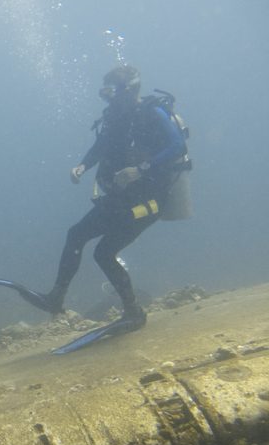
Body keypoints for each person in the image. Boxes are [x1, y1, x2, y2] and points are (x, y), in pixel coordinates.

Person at [23, 65, 189, 328]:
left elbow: (177, 145)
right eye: (105, 92)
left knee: (102, 251)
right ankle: (57, 298)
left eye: (112, 91)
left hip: (149, 201)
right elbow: (101, 146)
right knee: (78, 236)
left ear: (129, 90)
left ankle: (132, 312)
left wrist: (140, 169)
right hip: (122, 198)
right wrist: (83, 165)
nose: (108, 97)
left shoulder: (152, 112)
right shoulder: (115, 117)